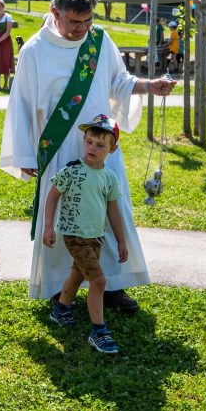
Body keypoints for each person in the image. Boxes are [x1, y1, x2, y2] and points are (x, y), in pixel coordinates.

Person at [0, 0, 175, 309]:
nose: (81, 29)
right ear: (55, 13)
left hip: (100, 144)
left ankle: (112, 284)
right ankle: (55, 286)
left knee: (109, 208)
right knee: (61, 214)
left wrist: (149, 85)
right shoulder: (34, 50)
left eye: (87, 22)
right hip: (59, 148)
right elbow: (20, 104)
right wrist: (25, 154)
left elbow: (118, 81)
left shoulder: (99, 40)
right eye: (73, 22)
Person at [43, 114, 127, 354]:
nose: (93, 147)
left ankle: (61, 309)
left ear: (112, 149)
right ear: (84, 140)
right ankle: (98, 331)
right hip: (74, 234)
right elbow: (52, 196)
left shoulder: (109, 178)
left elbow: (114, 211)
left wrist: (121, 240)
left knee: (78, 274)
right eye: (89, 141)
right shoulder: (71, 170)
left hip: (95, 237)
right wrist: (49, 226)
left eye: (101, 145)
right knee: (98, 280)